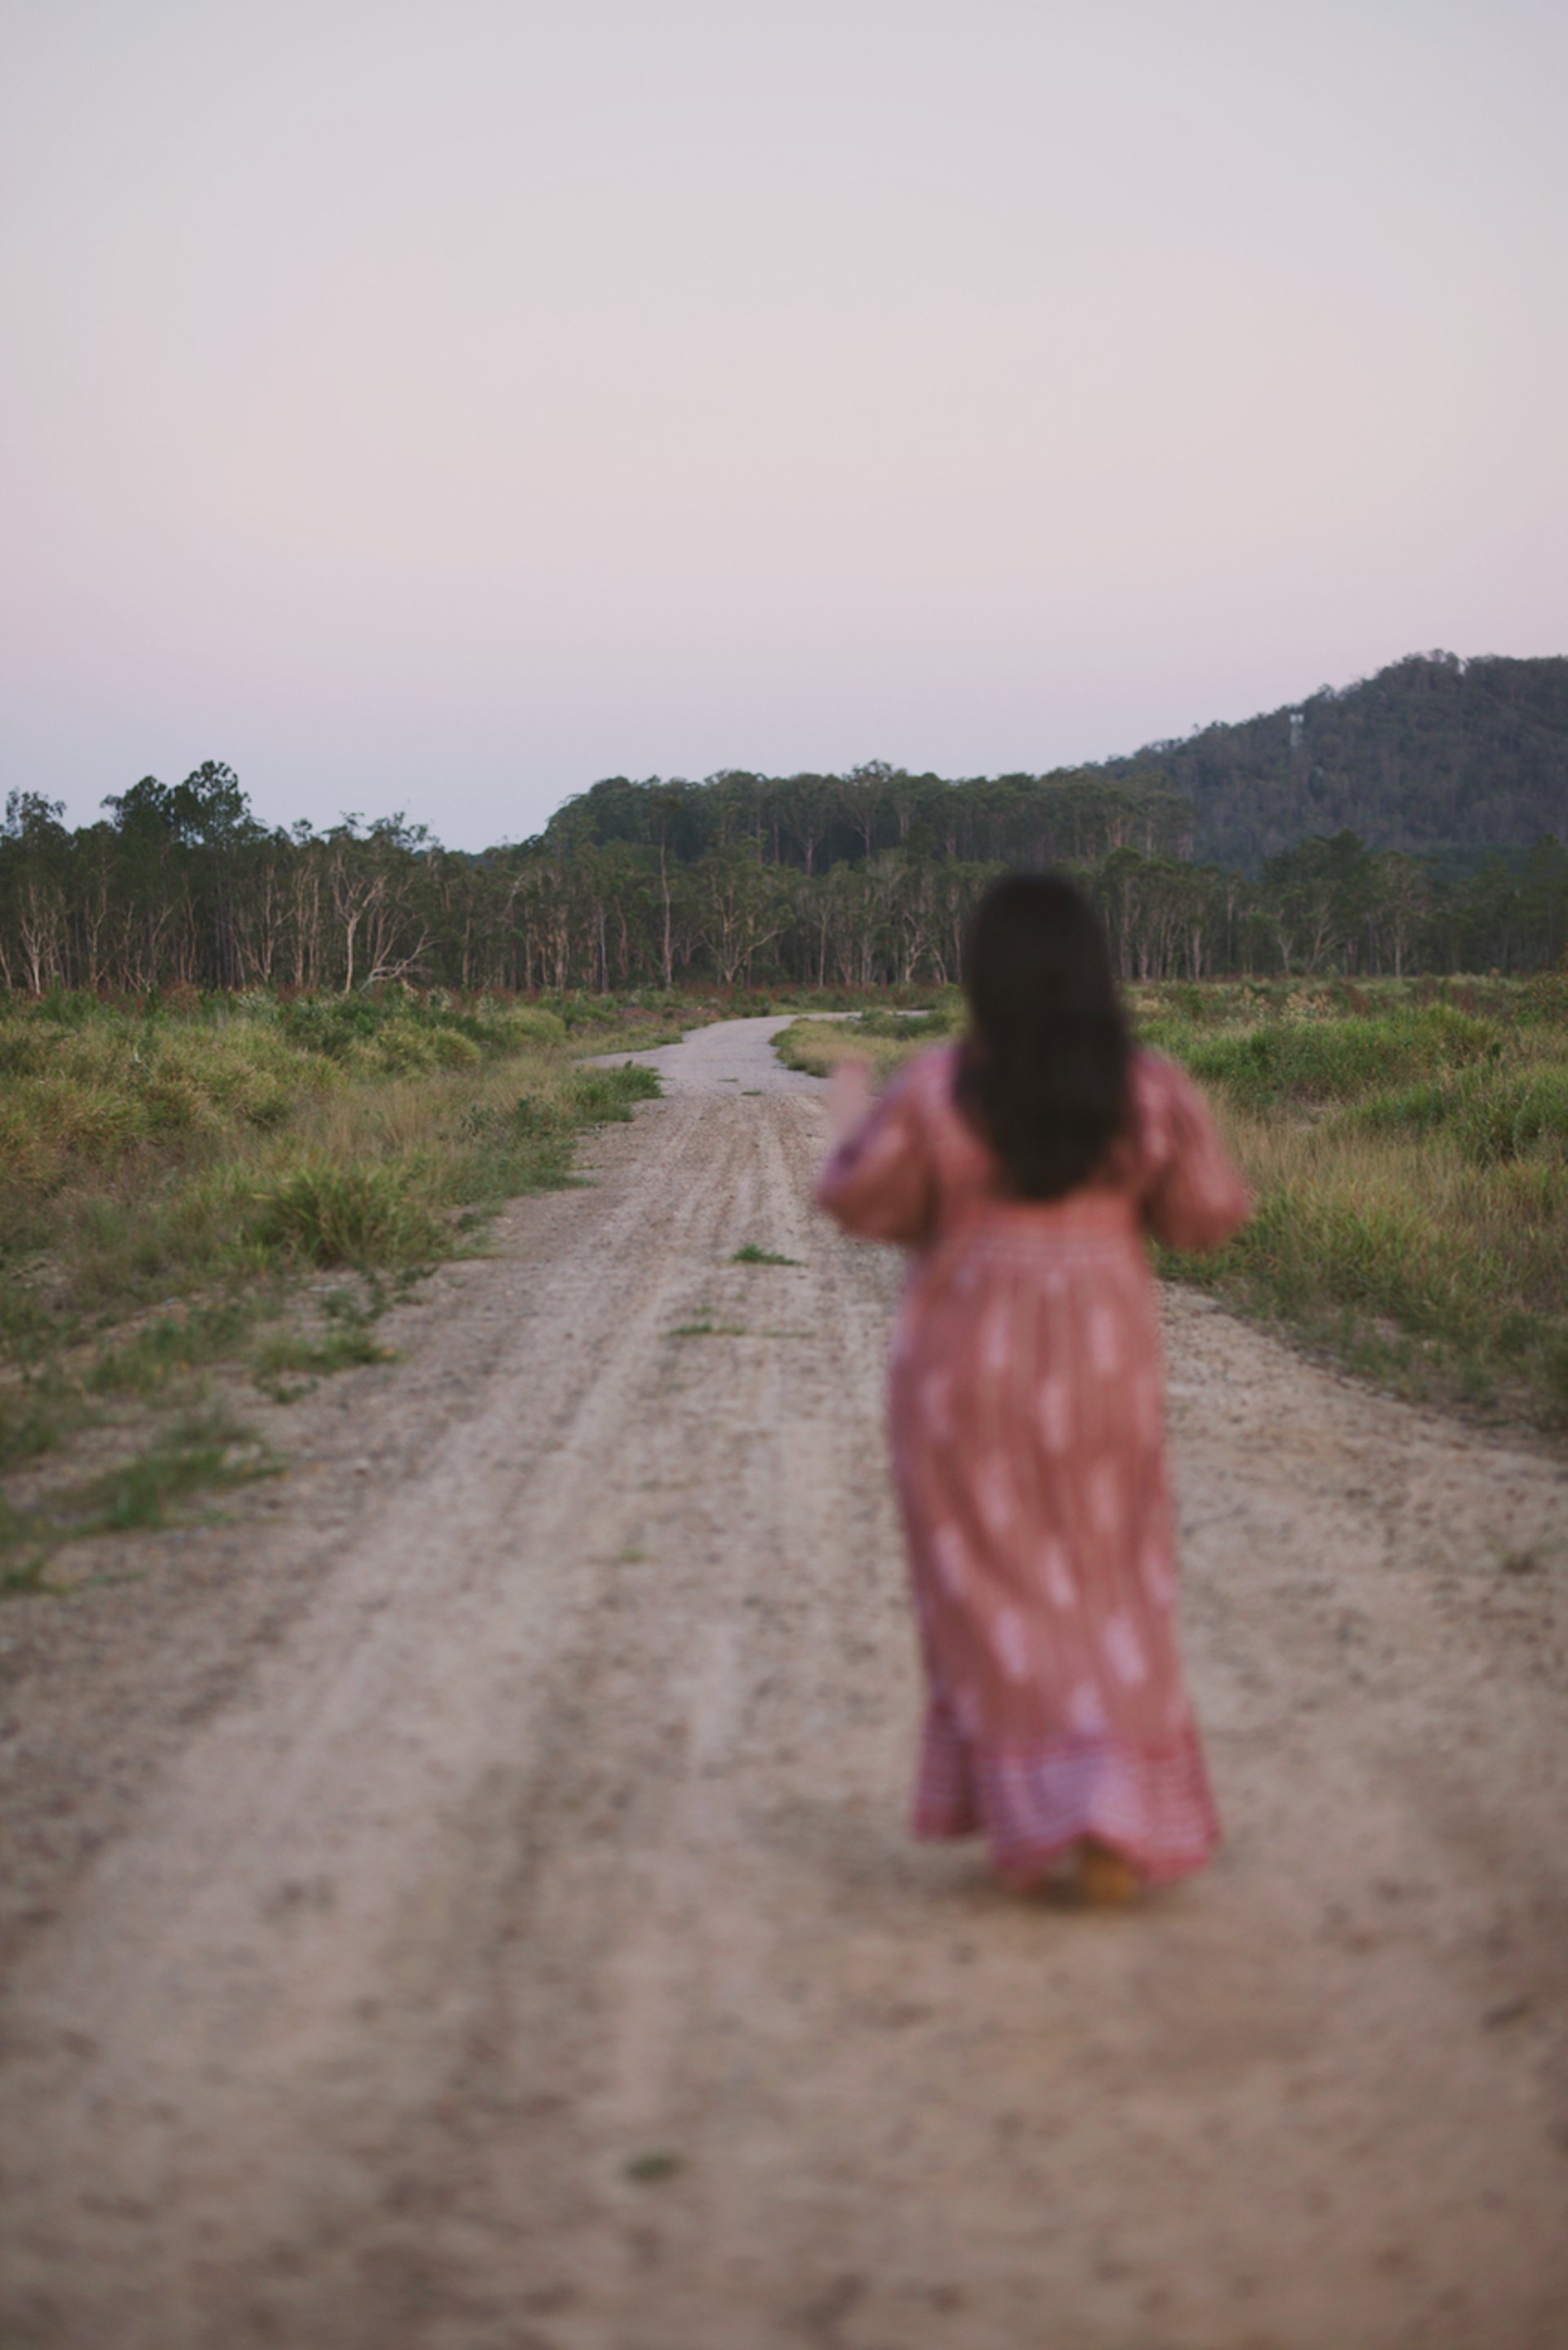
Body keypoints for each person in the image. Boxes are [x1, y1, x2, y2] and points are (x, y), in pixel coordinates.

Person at [815, 874, 1250, 1905]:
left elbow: (864, 1201)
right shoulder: (1147, 1089)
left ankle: (1048, 1804)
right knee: (1113, 1578)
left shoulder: (936, 1088)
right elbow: (1205, 1216)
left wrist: (850, 1114)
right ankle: (1114, 1808)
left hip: (966, 1381)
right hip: (1105, 1376)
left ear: (986, 979)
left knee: (994, 1590)